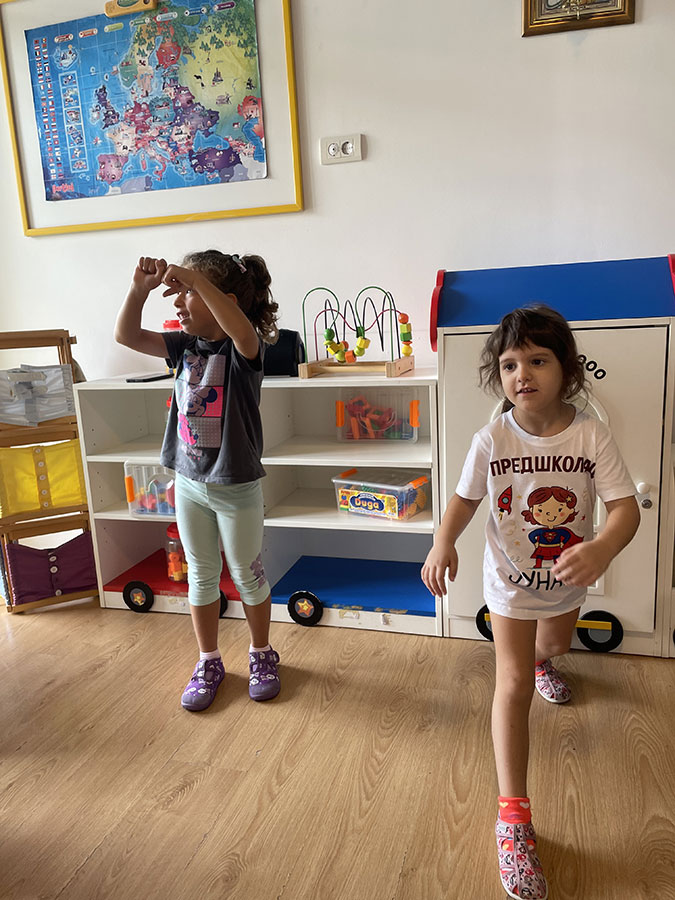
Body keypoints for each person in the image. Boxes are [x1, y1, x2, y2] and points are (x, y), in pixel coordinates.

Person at [421, 305, 639, 899]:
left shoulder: (591, 435)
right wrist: (443, 542)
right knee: (512, 684)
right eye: (510, 364)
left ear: (566, 368)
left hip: (568, 579)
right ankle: (513, 818)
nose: (523, 374)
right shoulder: (491, 438)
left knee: (556, 645)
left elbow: (625, 508)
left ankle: (544, 661)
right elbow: (465, 499)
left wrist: (603, 548)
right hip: (509, 583)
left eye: (538, 361)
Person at [115, 251, 281, 711]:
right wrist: (139, 290)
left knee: (247, 574)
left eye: (188, 293)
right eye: (182, 292)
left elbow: (242, 331)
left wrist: (195, 279)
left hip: (236, 488)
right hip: (189, 483)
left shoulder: (244, 351)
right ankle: (209, 660)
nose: (179, 302)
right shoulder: (183, 346)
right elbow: (126, 335)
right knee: (201, 575)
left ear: (224, 300)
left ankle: (262, 653)